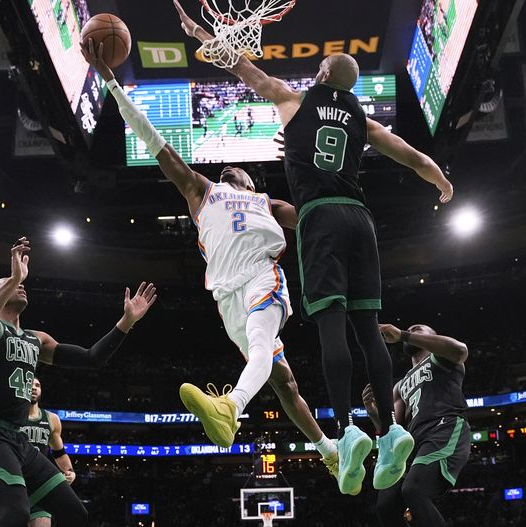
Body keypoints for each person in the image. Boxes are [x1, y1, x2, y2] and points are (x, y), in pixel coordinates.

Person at [175, 0, 454, 495]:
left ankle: (347, 431)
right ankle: (389, 434)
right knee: (368, 327)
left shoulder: (294, 100)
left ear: (322, 73)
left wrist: (202, 34)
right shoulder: (362, 122)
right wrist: (441, 183)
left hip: (320, 215)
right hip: (360, 218)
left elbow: (242, 68)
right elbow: (410, 155)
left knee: (331, 324)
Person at [80, 40, 341, 478]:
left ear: (249, 177)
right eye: (223, 171)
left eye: (234, 171)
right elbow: (152, 138)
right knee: (283, 382)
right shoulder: (203, 192)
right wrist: (110, 80)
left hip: (262, 275)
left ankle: (230, 407)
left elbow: (320, 220)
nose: (227, 173)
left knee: (261, 344)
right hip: (225, 298)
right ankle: (329, 450)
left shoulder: (268, 204)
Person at [0, 237, 157, 527]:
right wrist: (12, 279)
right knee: (14, 514)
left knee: (75, 513)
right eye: (8, 284)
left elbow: (91, 358)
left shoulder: (37, 339)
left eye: (20, 283)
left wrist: (125, 323)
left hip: (16, 436)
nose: (21, 285)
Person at [362, 324, 471, 527]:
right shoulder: (400, 385)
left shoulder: (440, 357)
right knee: (385, 505)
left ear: (434, 337)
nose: (412, 329)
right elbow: (394, 428)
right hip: (413, 443)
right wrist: (373, 412)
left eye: (418, 329)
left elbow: (460, 350)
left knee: (414, 490)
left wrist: (404, 335)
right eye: (411, 329)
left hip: (443, 428)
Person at [19, 377, 76, 527]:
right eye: (30, 384)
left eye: (37, 385)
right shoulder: (10, 416)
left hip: (39, 484)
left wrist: (70, 471)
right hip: (14, 482)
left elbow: (59, 452)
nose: (34, 388)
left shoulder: (52, 419)